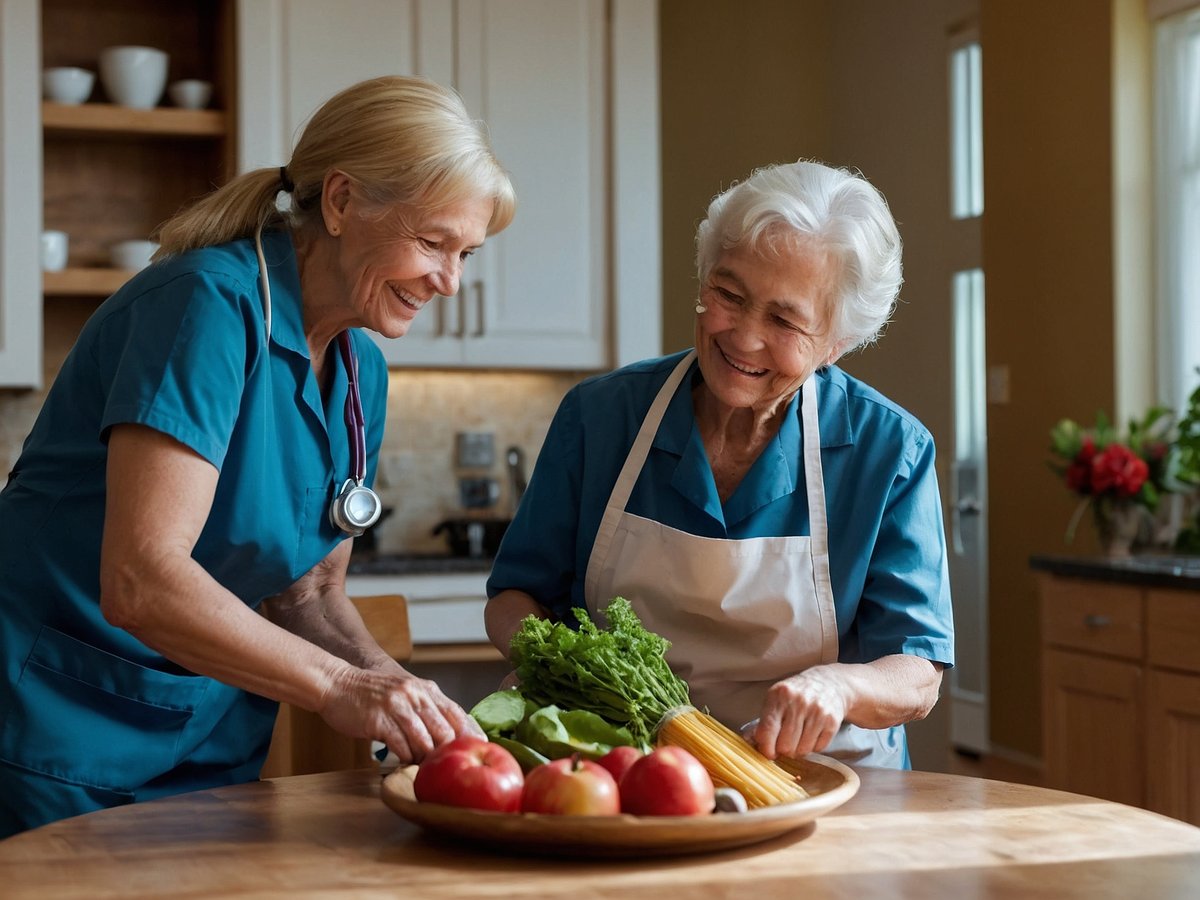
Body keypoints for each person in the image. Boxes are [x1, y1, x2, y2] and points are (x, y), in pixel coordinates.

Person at [0, 75, 515, 837]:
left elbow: (305, 596)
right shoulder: (204, 305)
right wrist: (344, 687)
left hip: (209, 749)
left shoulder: (359, 368)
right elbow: (141, 581)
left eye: (466, 252)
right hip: (59, 730)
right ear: (341, 202)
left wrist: (402, 692)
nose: (450, 281)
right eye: (433, 243)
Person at [485, 160, 953, 768]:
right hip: (621, 769)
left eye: (784, 320)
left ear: (837, 342)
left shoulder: (888, 449)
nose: (744, 337)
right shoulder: (601, 418)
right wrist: (569, 669)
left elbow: (917, 672)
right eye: (728, 295)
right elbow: (513, 598)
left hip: (822, 779)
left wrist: (837, 687)